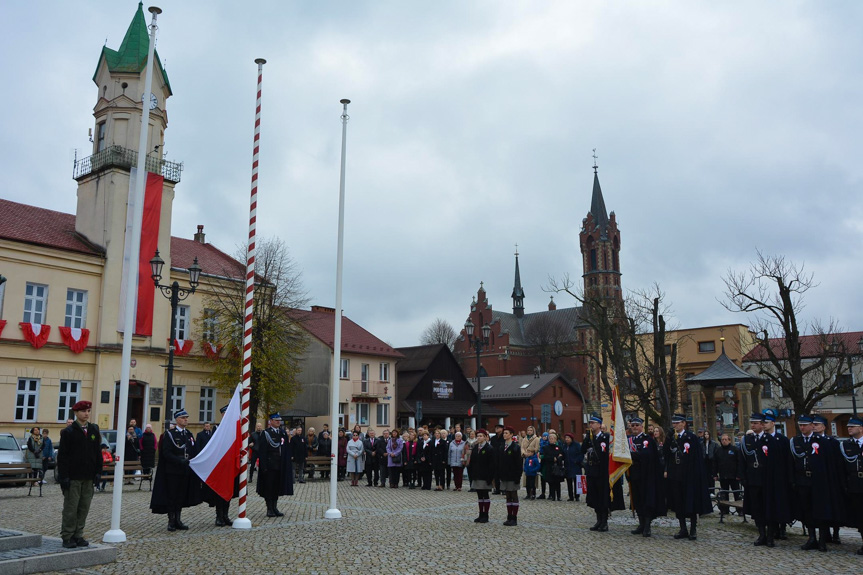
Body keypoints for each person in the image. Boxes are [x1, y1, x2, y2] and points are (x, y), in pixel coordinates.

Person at [790, 414, 840, 551]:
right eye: (800, 425)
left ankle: (822, 539)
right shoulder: (796, 441)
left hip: (819, 481)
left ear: (812, 426)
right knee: (807, 510)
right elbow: (792, 462)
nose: (802, 427)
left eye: (805, 425)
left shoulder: (822, 441)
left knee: (821, 509)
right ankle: (811, 537)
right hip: (802, 480)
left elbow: (828, 463)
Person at [58, 402, 102, 548]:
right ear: (76, 413)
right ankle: (67, 535)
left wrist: (98, 472)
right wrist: (63, 476)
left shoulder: (94, 429)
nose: (86, 413)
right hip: (73, 476)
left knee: (84, 507)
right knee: (71, 508)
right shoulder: (68, 432)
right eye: (83, 411)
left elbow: (97, 453)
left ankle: (78, 534)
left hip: (88, 476)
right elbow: (63, 457)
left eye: (88, 410)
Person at [150, 409, 203, 530]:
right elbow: (166, 453)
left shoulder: (188, 434)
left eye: (187, 417)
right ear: (177, 419)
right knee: (172, 496)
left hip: (185, 470)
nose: (186, 420)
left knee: (181, 496)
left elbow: (193, 450)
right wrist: (179, 460)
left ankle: (178, 519)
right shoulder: (170, 434)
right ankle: (171, 521)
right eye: (183, 418)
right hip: (173, 471)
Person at [664, 413, 712, 541]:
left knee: (691, 502)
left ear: (683, 423)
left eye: (677, 423)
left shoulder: (691, 437)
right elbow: (666, 454)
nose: (675, 425)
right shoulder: (672, 437)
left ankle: (693, 529)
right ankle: (682, 528)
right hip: (675, 474)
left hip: (689, 475)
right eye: (673, 423)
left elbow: (697, 457)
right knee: (678, 502)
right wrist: (668, 439)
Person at [739, 412, 782, 546]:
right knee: (757, 509)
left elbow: (776, 462)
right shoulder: (748, 440)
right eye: (752, 423)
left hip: (767, 480)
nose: (753, 425)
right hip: (753, 479)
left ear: (762, 425)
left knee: (769, 508)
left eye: (756, 423)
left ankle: (770, 536)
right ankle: (761, 534)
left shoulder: (770, 440)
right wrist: (743, 477)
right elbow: (742, 460)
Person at [582, 414, 622, 532]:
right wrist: (586, 439)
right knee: (594, 497)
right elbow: (582, 450)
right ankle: (598, 520)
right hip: (592, 471)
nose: (591, 425)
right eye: (590, 423)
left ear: (599, 425)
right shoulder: (590, 437)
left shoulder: (605, 437)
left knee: (603, 497)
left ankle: (604, 522)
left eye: (593, 423)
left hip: (603, 472)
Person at [811, 414, 846, 544]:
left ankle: (835, 533)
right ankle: (822, 535)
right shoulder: (810, 442)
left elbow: (838, 462)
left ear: (824, 427)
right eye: (813, 424)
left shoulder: (833, 442)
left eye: (817, 424)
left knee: (834, 507)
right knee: (820, 509)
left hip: (831, 480)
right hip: (817, 481)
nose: (814, 427)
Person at [627, 417, 664, 537]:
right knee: (637, 500)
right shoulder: (629, 440)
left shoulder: (647, 439)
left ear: (642, 426)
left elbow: (646, 455)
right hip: (633, 474)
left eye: (637, 425)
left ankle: (647, 526)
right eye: (633, 425)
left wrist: (632, 455)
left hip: (646, 475)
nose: (635, 427)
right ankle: (641, 524)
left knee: (646, 500)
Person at [257, 413, 292, 517]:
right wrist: (263, 466)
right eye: (276, 420)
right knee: (269, 487)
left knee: (277, 487)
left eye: (279, 420)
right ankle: (269, 508)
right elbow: (262, 451)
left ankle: (275, 507)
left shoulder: (282, 433)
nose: (278, 422)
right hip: (270, 465)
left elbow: (285, 448)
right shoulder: (266, 433)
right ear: (271, 421)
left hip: (280, 465)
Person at [839, 417, 863, 555]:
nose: (849, 428)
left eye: (853, 426)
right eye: (848, 426)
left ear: (861, 428)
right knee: (859, 516)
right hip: (854, 484)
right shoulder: (846, 445)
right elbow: (842, 467)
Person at [469, 429, 495, 523]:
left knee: (485, 495)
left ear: (485, 437)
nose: (479, 438)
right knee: (479, 495)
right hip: (477, 475)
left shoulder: (489, 448)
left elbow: (492, 464)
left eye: (481, 436)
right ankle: (480, 514)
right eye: (478, 436)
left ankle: (486, 515)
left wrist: (490, 477)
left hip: (485, 476)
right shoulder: (476, 447)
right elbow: (472, 462)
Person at [499, 426, 523, 526]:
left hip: (513, 475)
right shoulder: (501, 447)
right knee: (508, 496)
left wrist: (518, 476)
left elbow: (519, 463)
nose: (504, 435)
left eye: (506, 433)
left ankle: (514, 517)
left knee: (514, 495)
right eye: (504, 433)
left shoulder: (515, 447)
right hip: (505, 475)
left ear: (511, 435)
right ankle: (509, 516)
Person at [714, 433, 741, 515]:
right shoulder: (718, 450)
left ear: (729, 440)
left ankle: (740, 510)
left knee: (737, 494)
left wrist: (739, 474)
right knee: (724, 494)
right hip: (723, 475)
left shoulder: (735, 449)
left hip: (734, 476)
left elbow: (739, 463)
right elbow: (715, 463)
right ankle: (724, 510)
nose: (724, 441)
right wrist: (715, 474)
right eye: (722, 440)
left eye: (726, 439)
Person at [542, 432, 565, 501]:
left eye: (553, 438)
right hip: (549, 467)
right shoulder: (546, 448)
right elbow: (545, 457)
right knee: (551, 482)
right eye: (550, 438)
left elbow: (562, 456)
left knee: (557, 482)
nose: (551, 440)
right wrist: (553, 458)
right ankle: (552, 495)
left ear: (556, 440)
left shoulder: (559, 447)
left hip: (557, 467)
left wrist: (558, 458)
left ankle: (559, 496)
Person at [561, 433, 583, 501]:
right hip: (567, 466)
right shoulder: (564, 446)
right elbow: (563, 454)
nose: (567, 439)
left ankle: (577, 496)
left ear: (571, 439)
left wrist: (577, 461)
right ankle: (570, 496)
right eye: (566, 438)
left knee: (576, 481)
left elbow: (581, 454)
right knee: (569, 481)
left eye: (568, 438)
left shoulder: (576, 445)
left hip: (575, 465)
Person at [521, 426, 541, 499]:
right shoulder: (524, 439)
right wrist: (524, 453)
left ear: (533, 431)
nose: (529, 431)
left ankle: (533, 493)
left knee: (533, 481)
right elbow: (522, 447)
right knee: (526, 480)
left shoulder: (536, 439)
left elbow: (537, 448)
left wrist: (530, 451)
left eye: (531, 430)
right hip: (526, 458)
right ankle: (528, 493)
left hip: (533, 457)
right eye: (528, 430)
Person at [490, 423, 505, 494]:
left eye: (498, 428)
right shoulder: (493, 438)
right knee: (496, 475)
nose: (496, 429)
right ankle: (497, 489)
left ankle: (504, 489)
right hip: (494, 458)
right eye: (496, 428)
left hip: (502, 458)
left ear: (502, 429)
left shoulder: (504, 438)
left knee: (503, 474)